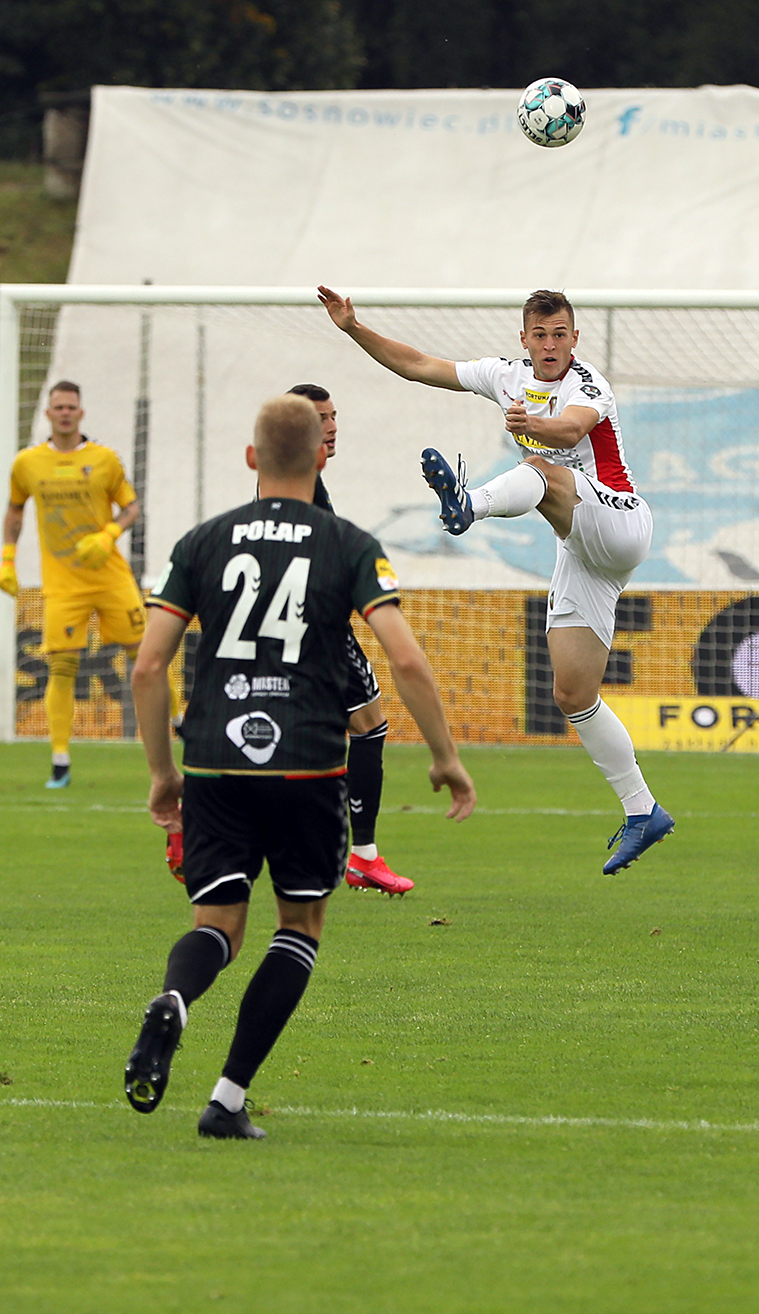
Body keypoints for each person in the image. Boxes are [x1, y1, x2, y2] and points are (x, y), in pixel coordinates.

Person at [123, 395, 476, 1140]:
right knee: (299, 924)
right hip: (308, 764)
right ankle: (226, 1099)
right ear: (320, 456)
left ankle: (174, 1001)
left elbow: (149, 667)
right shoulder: (348, 543)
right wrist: (445, 755)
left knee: (217, 925)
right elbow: (406, 658)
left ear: (253, 458)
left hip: (216, 762)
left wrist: (162, 773)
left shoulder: (202, 542)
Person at [319, 286, 672, 874]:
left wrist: (534, 423)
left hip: (621, 520)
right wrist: (354, 328)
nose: (551, 345)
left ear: (575, 338)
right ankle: (643, 809)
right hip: (580, 546)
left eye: (561, 335)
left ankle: (468, 505)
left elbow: (571, 431)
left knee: (540, 468)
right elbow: (418, 365)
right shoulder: (506, 376)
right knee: (573, 693)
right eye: (541, 335)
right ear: (524, 338)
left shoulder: (588, 383)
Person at [283, 382, 412, 896]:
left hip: (295, 626)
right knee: (367, 725)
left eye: (334, 416)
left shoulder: (295, 476)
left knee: (303, 730)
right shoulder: (298, 482)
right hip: (317, 627)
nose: (333, 427)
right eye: (321, 419)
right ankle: (362, 857)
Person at [0, 381, 145, 788]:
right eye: (58, 407)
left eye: (71, 407)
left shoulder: (104, 459)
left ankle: (179, 724)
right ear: (48, 413)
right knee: (62, 666)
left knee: (144, 654)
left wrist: (109, 535)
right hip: (63, 583)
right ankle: (60, 759)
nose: (64, 413)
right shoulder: (27, 463)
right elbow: (15, 510)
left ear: (81, 413)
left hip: (110, 575)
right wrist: (7, 559)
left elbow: (131, 506)